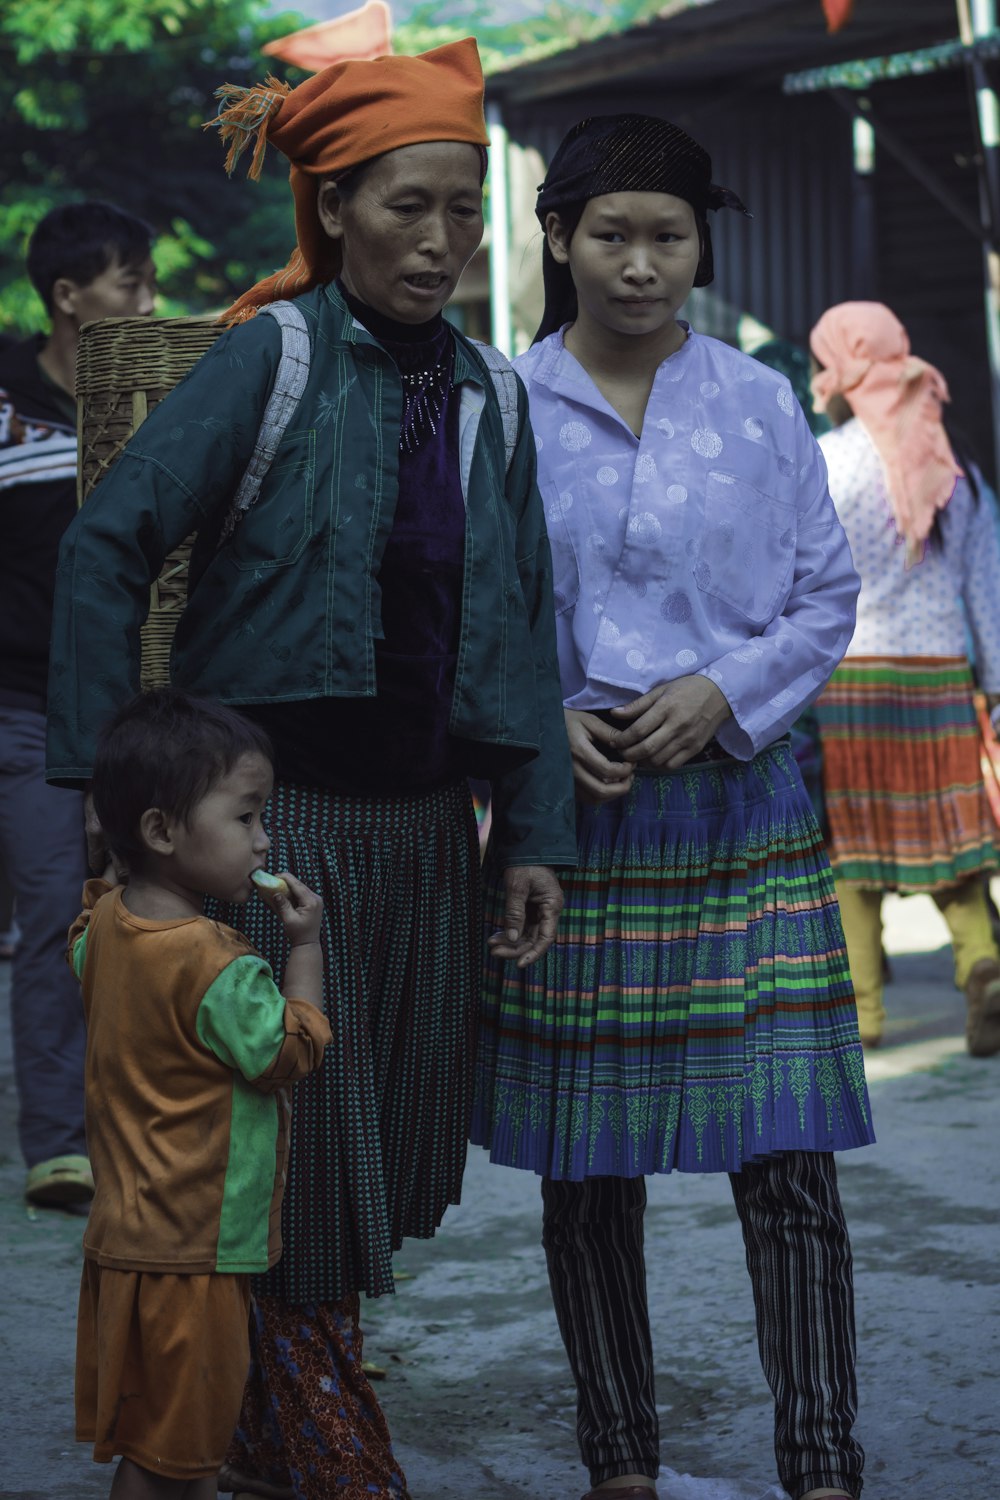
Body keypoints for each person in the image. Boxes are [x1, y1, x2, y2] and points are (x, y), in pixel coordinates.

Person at [46, 39, 576, 1500]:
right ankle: (301, 1433)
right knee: (286, 1157)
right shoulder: (269, 359)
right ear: (334, 204)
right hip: (282, 842)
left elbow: (521, 623)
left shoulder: (492, 395)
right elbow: (109, 544)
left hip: (425, 836)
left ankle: (269, 1413)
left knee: (381, 1163)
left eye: (465, 212)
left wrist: (530, 831)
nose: (442, 240)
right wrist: (115, 812)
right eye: (408, 206)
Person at [471, 114, 875, 1500]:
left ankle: (822, 1464)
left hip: (744, 813)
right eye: (611, 234)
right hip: (574, 837)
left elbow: (826, 595)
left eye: (669, 236)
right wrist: (539, 724)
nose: (640, 265)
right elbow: (468, 613)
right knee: (587, 1181)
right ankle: (621, 1463)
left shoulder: (761, 401)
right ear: (560, 240)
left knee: (791, 1166)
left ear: (702, 243)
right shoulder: (500, 408)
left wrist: (726, 688)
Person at [70, 689, 331, 1500]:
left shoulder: (104, 930)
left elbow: (83, 930)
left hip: (123, 1239)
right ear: (161, 830)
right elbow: (289, 1051)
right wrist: (306, 949)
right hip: (198, 1251)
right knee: (170, 1465)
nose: (264, 838)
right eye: (247, 816)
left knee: (156, 1438)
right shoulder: (217, 963)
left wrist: (105, 866)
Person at [0, 201, 156, 1208]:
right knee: (59, 905)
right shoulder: (4, 402)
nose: (150, 299)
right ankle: (58, 1141)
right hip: (22, 704)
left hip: (143, 706)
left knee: (155, 914)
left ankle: (148, 1122)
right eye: (130, 283)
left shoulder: (162, 400)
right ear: (68, 297)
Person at [809, 301, 1000, 1054]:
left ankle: (862, 1014)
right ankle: (983, 967)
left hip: (851, 681)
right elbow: (986, 586)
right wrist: (992, 680)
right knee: (954, 842)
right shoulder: (953, 468)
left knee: (852, 854)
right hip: (940, 677)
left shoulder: (827, 463)